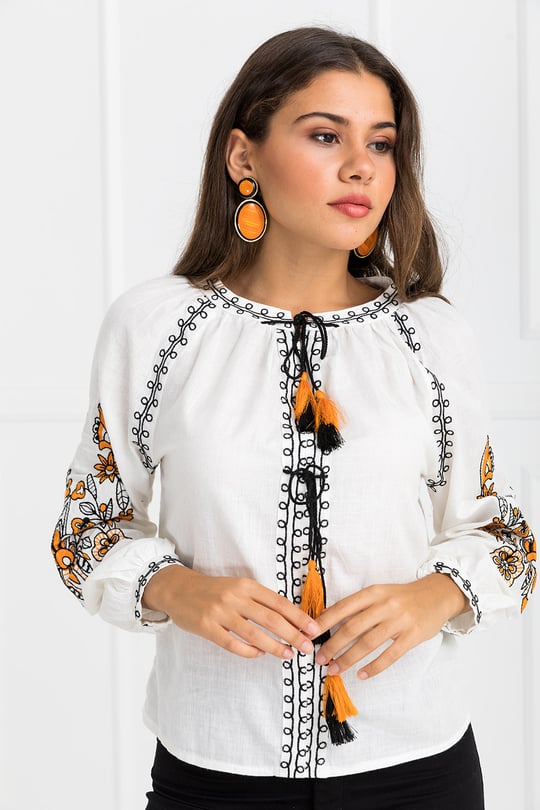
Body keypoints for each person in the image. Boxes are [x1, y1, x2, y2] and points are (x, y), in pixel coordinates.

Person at [51, 26, 536, 810]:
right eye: (325, 135)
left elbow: (507, 540)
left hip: (419, 767)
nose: (361, 167)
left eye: (382, 143)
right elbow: (86, 530)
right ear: (243, 157)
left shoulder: (432, 337)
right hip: (214, 771)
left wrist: (435, 597)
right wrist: (175, 588)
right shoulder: (156, 328)